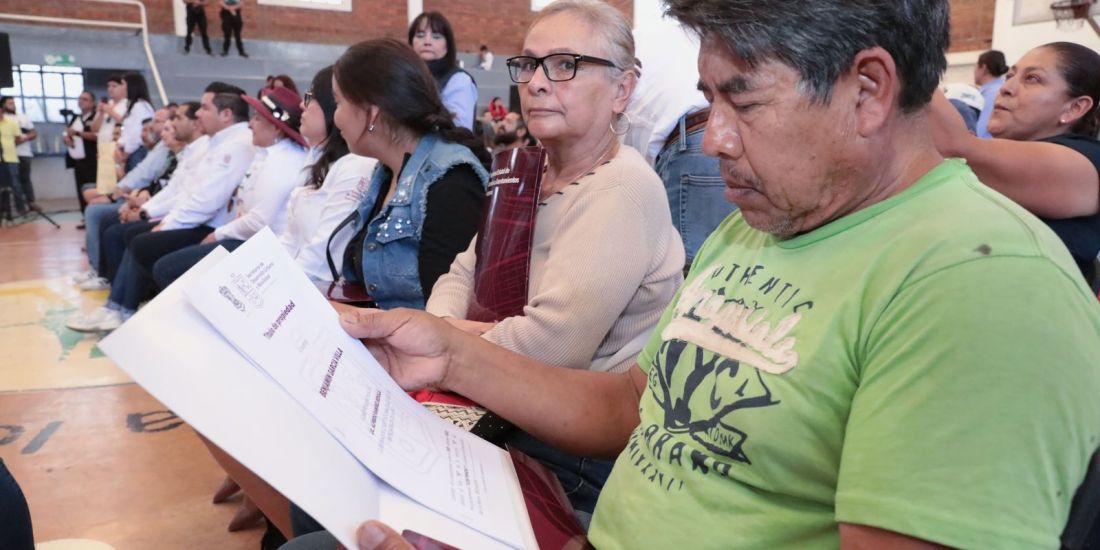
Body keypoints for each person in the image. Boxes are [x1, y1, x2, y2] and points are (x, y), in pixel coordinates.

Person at [332, 1, 1100, 549]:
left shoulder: (979, 286)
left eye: (743, 102)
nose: (712, 142)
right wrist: (449, 353)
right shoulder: (763, 222)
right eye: (708, 101)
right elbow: (635, 404)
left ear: (867, 91)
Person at [426, 0, 683, 517]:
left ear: (622, 89)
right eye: (528, 64)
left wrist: (440, 342)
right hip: (500, 407)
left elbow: (551, 347)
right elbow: (460, 274)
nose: (537, 83)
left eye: (565, 64)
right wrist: (441, 330)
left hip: (572, 456)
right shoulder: (523, 173)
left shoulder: (622, 187)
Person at [154, 66, 376, 288]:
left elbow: (318, 259)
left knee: (173, 270)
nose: (302, 105)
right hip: (281, 261)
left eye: (310, 98)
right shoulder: (314, 157)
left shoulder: (351, 166)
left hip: (305, 282)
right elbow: (290, 240)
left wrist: (263, 284)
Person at [332, 38, 489, 310]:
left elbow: (447, 319)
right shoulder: (386, 172)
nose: (335, 117)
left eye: (338, 102)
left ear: (371, 113)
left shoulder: (451, 182)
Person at [931, 42, 1100, 287]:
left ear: (1075, 107)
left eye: (1032, 79)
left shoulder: (1087, 162)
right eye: (1010, 76)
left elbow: (954, 145)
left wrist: (904, 52)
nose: (1006, 88)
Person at [150, 87, 311, 285]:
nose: (250, 124)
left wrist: (218, 234)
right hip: (248, 240)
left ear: (276, 127)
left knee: (168, 269)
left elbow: (259, 220)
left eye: (257, 119)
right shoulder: (269, 154)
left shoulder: (283, 162)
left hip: (264, 250)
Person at [624, 15, 730, 268]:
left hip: (689, 143)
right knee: (729, 265)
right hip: (729, 128)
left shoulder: (629, 45)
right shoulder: (709, 33)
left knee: (696, 272)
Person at [408, 12, 477, 130]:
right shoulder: (404, 77)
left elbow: (459, 130)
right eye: (420, 35)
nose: (427, 42)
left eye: (436, 36)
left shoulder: (459, 80)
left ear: (447, 46)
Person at [64, 90, 99, 219]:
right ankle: (85, 216)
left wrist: (78, 134)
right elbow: (68, 133)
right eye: (79, 99)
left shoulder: (96, 117)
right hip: (78, 160)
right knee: (80, 188)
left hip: (93, 160)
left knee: (92, 188)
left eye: (85, 99)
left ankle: (94, 214)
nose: (81, 102)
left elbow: (97, 136)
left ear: (93, 102)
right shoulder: (75, 118)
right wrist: (67, 139)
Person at [116, 72, 157, 173]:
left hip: (137, 152)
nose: (120, 88)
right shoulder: (133, 106)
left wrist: (126, 153)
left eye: (122, 84)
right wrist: (119, 145)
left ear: (131, 86)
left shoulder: (140, 106)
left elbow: (137, 134)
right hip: (131, 152)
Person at [2, 96, 38, 210]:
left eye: (13, 103)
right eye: (9, 103)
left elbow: (33, 133)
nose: (13, 105)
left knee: (25, 178)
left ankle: (31, 203)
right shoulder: (3, 119)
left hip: (24, 152)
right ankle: (13, 207)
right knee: (10, 181)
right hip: (7, 155)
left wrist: (23, 138)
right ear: (3, 105)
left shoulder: (23, 117)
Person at [974, 49, 1009, 138]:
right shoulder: (1003, 88)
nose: (974, 71)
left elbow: (981, 132)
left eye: (976, 67)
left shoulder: (991, 93)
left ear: (983, 68)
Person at [0, 99, 25, 217]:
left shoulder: (11, 123)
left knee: (15, 184)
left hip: (10, 158)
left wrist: (8, 146)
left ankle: (21, 210)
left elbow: (18, 138)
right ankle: (4, 210)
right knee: (1, 187)